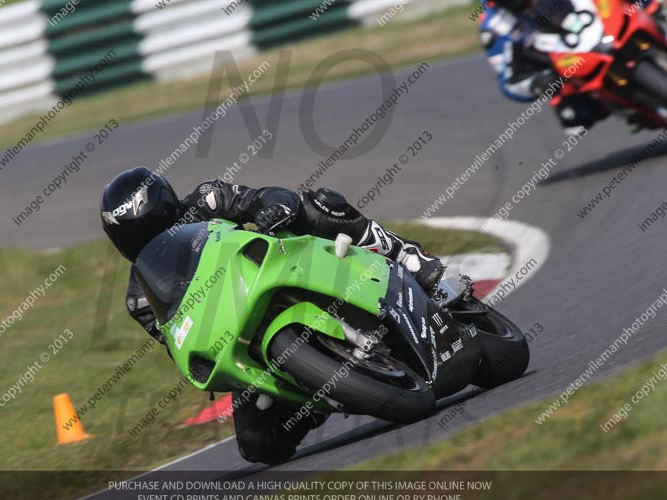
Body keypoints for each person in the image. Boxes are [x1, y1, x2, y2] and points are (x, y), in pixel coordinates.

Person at [100, 166, 445, 464]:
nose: (148, 238)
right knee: (257, 445)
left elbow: (264, 197)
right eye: (133, 235)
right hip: (240, 331)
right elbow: (178, 341)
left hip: (286, 262)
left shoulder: (209, 200)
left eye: (150, 226)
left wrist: (274, 208)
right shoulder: (140, 299)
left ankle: (407, 254)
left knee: (319, 204)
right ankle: (313, 393)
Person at [480, 0, 667, 134]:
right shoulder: (494, 23)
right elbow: (509, 80)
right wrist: (537, 84)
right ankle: (629, 108)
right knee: (572, 115)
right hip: (564, 62)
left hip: (593, 24)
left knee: (638, 8)